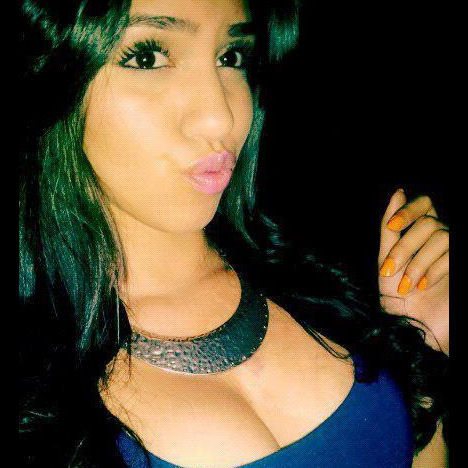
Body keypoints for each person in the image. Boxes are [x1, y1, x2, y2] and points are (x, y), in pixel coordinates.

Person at [19, 0, 449, 467]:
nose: (221, 118)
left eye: (231, 57)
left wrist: (422, 344)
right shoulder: (36, 382)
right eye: (147, 57)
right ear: (49, 72)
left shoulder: (332, 271)